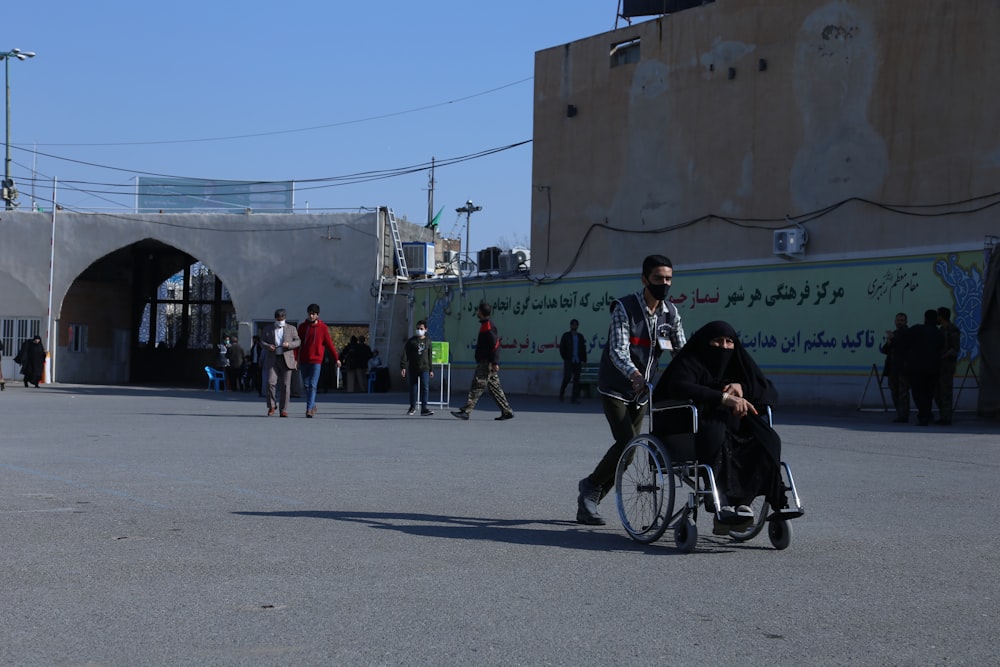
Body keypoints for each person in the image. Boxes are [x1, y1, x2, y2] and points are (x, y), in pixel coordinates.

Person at [653, 320, 793, 534]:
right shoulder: (691, 362)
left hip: (733, 423)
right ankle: (721, 501)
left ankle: (745, 502)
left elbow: (768, 390)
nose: (724, 347)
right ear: (705, 342)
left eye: (729, 342)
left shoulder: (737, 363)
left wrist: (742, 387)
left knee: (768, 438)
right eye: (717, 341)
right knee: (716, 433)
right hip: (695, 422)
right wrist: (723, 398)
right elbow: (678, 386)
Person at [576, 254, 685, 526]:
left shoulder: (671, 314)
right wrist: (634, 375)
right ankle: (590, 487)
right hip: (616, 387)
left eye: (668, 278)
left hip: (642, 392)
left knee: (631, 450)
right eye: (659, 278)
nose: (664, 283)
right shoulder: (624, 308)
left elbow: (682, 352)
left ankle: (590, 495)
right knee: (627, 442)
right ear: (644, 279)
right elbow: (617, 350)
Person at [451, 302, 515, 421]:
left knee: (477, 385)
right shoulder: (485, 325)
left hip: (486, 363)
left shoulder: (488, 326)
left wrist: (495, 362)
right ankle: (507, 411)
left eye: (478, 310)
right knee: (495, 387)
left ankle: (466, 411)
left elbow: (495, 345)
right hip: (487, 362)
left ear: (481, 312)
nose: (477, 312)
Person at [296, 304, 341, 418]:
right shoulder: (302, 327)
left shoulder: (323, 328)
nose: (311, 316)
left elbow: (330, 345)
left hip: (316, 361)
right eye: (310, 314)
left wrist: (336, 358)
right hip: (304, 360)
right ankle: (313, 405)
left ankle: (309, 409)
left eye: (313, 314)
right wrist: (296, 359)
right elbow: (297, 345)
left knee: (312, 384)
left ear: (317, 315)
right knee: (306, 385)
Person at [903, 309, 944, 426]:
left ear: (925, 318)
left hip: (916, 367)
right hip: (933, 367)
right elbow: (941, 347)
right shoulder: (939, 333)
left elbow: (904, 341)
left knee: (917, 392)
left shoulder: (916, 329)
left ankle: (923, 415)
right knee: (928, 393)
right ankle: (927, 414)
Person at [261, 308, 301, 417]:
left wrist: (289, 345)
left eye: (282, 319)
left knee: (285, 385)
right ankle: (271, 406)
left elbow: (298, 341)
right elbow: (262, 341)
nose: (280, 321)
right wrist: (268, 346)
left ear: (285, 318)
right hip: (273, 359)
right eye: (278, 320)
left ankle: (283, 409)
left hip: (286, 359)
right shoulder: (268, 329)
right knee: (270, 382)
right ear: (275, 319)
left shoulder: (291, 329)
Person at [879, 312, 910, 423]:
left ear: (905, 322)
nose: (899, 322)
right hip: (893, 369)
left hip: (903, 369)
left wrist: (894, 339)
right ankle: (899, 414)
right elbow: (884, 350)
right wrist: (889, 342)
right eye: (897, 320)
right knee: (894, 392)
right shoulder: (895, 333)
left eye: (901, 320)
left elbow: (904, 346)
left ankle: (904, 415)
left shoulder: (907, 333)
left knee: (903, 393)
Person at [401, 321, 435, 416]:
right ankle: (412, 407)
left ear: (426, 330)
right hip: (413, 368)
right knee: (413, 388)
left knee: (425, 387)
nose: (419, 330)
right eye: (418, 328)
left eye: (421, 329)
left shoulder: (428, 341)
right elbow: (405, 354)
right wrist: (403, 366)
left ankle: (424, 408)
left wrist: (431, 369)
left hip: (425, 368)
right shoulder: (412, 341)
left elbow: (429, 356)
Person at [934, 306, 961, 425]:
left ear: (941, 316)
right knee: (937, 392)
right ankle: (943, 415)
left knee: (946, 392)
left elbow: (954, 349)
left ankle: (946, 417)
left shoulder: (952, 329)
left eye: (938, 315)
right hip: (939, 366)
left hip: (946, 366)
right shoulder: (940, 330)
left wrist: (942, 356)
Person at [559, 319, 587, 403]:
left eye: (576, 325)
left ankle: (574, 398)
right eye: (573, 325)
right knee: (567, 377)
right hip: (569, 360)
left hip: (577, 361)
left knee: (576, 380)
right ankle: (561, 394)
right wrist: (565, 358)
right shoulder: (566, 336)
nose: (574, 326)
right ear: (570, 325)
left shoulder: (580, 336)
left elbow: (583, 348)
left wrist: (584, 359)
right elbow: (562, 348)